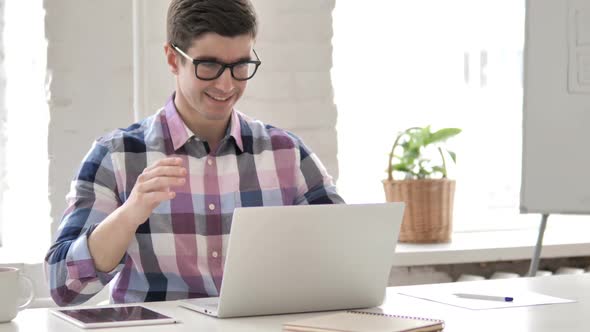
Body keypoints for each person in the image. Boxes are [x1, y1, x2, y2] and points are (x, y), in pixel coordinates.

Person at [44, 0, 344, 306]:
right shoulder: (116, 156)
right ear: (173, 59)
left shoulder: (287, 154)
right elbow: (63, 287)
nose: (226, 84)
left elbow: (346, 259)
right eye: (210, 65)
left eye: (240, 65)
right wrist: (128, 215)